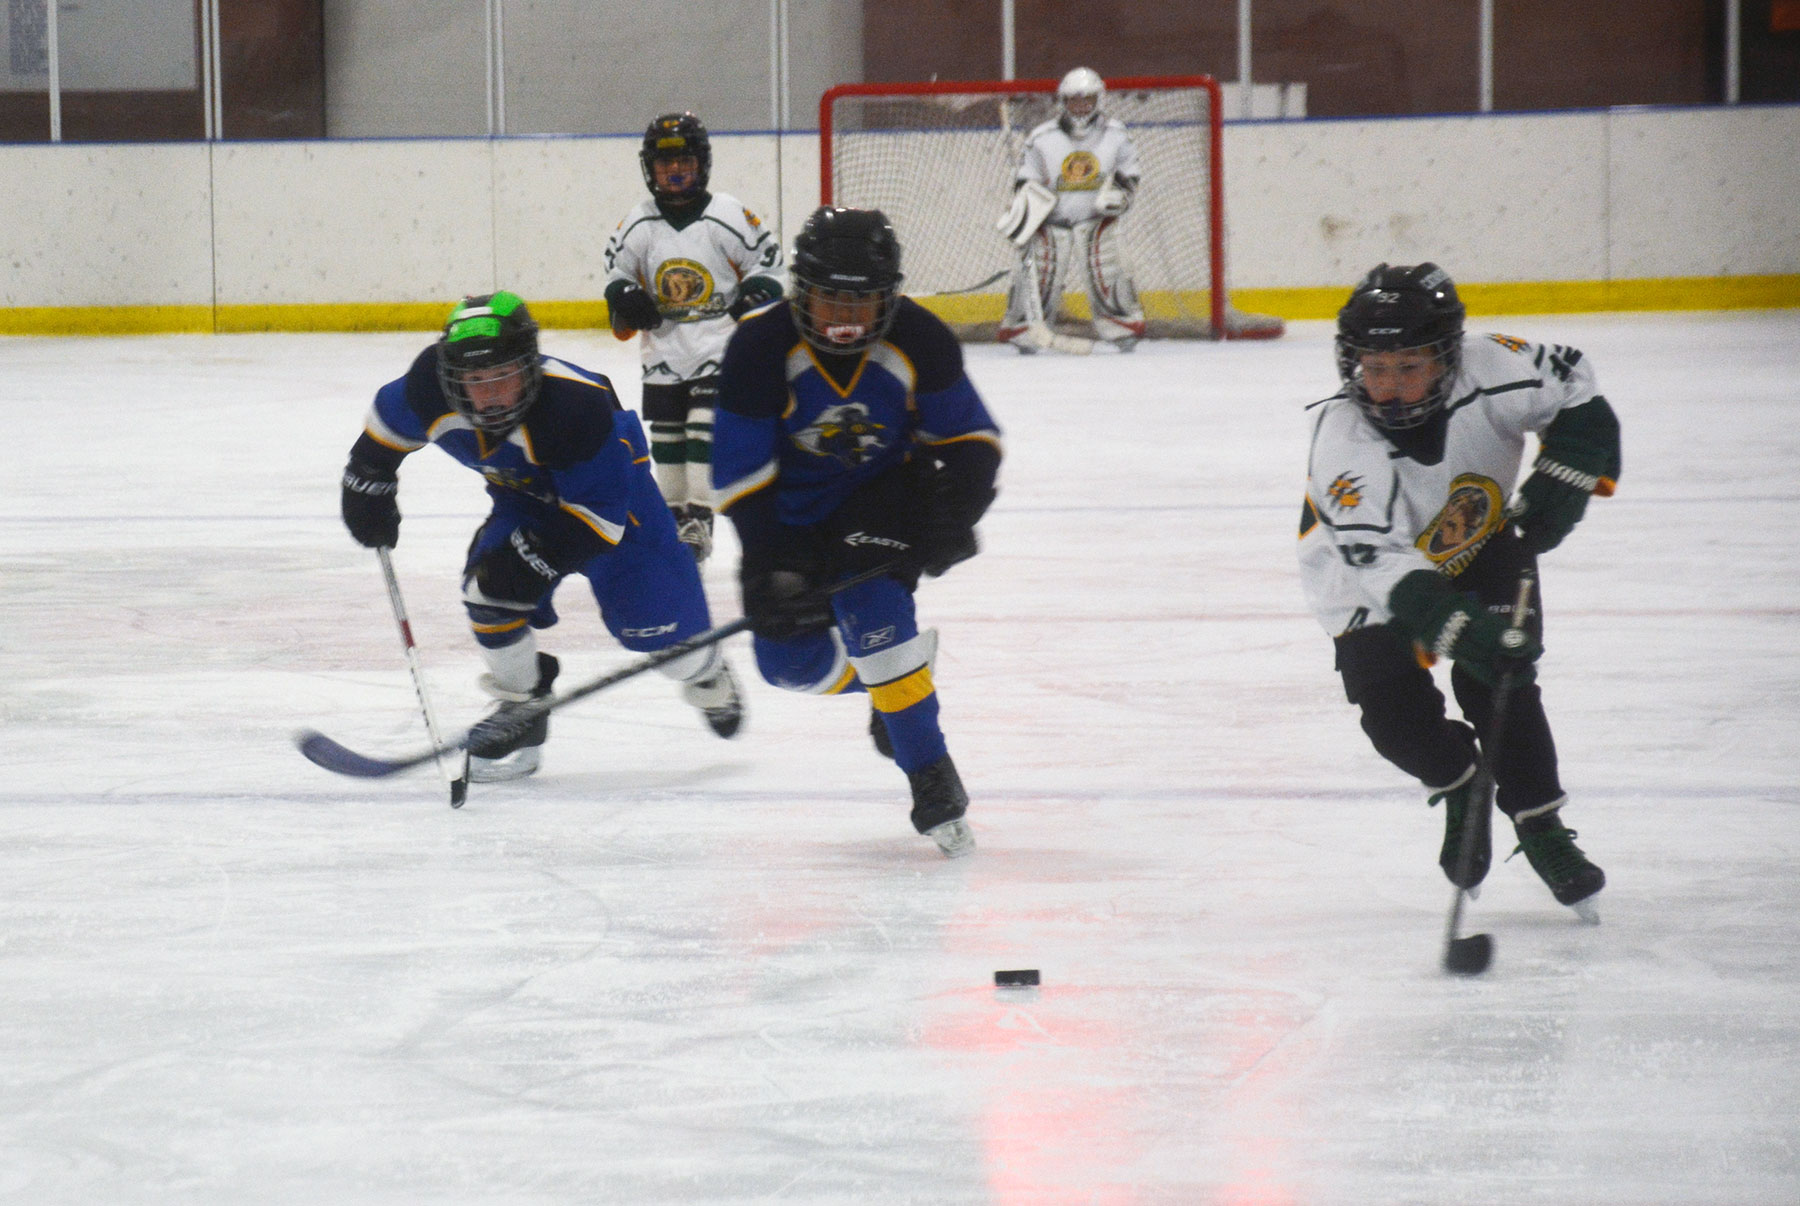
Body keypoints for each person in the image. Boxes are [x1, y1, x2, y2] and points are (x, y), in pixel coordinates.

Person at [1296, 263, 1620, 916]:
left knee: (1503, 682)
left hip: (1480, 545)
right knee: (1392, 721)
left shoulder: (1493, 366)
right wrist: (1457, 630)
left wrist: (1568, 471)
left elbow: (1576, 384)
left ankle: (1542, 826)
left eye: (1408, 366)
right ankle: (1458, 781)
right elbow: (1378, 560)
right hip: (1366, 583)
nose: (1387, 387)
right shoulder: (1343, 442)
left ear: (1448, 357)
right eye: (1372, 367)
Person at [338, 290, 744, 782]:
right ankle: (521, 707)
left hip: (619, 509)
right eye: (476, 380)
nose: (488, 394)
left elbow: (601, 519)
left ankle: (707, 678)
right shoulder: (428, 390)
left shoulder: (576, 408)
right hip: (525, 499)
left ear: (529, 367)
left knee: (662, 640)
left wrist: (536, 560)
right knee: (489, 591)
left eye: (503, 378)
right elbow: (383, 435)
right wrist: (369, 481)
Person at [712, 207, 1003, 858]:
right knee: (787, 666)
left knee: (878, 621)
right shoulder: (760, 348)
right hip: (787, 516)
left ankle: (929, 773)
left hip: (881, 503)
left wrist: (952, 513)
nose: (845, 319)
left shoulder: (920, 341)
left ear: (889, 298)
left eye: (862, 302)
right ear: (800, 291)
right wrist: (771, 564)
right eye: (828, 299)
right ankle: (890, 686)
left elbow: (973, 443)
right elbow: (740, 476)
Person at [604, 112, 785, 563]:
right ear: (650, 168)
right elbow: (617, 272)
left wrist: (757, 291)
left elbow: (770, 264)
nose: (675, 171)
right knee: (667, 435)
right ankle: (671, 515)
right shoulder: (638, 222)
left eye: (683, 160)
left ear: (701, 163)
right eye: (665, 164)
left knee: (703, 425)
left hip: (718, 344)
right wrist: (625, 294)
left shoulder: (727, 213)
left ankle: (700, 515)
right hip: (663, 347)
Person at [995, 66, 1144, 353]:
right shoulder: (1042, 137)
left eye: (1086, 100)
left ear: (1098, 100)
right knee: (1040, 270)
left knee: (1108, 266)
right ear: (1063, 102)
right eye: (1074, 101)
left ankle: (1120, 322)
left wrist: (1121, 195)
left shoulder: (1116, 134)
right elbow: (1027, 179)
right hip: (1052, 221)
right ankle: (1024, 324)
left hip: (1097, 220)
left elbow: (1129, 173)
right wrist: (1024, 207)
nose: (1080, 107)